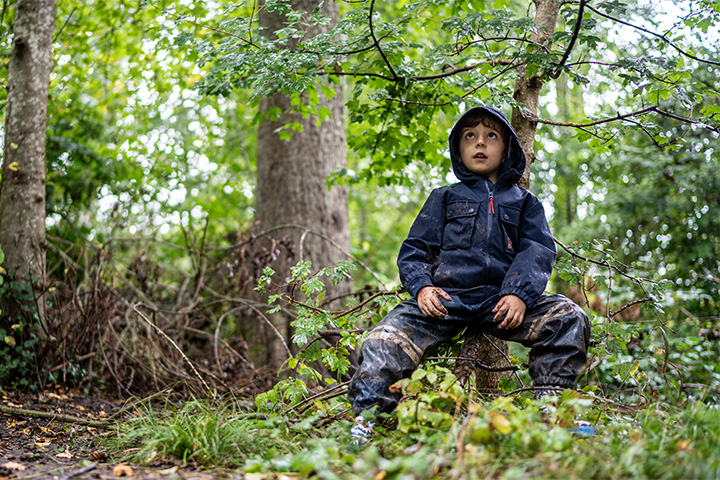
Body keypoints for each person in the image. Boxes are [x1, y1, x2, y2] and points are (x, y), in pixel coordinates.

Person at [347, 106, 590, 441]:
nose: (480, 143)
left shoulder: (525, 203)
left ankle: (554, 408)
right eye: (470, 137)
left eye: (491, 136)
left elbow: (537, 250)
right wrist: (422, 289)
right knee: (383, 339)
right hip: (445, 299)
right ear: (458, 150)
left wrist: (519, 294)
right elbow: (415, 250)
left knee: (568, 317)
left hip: (501, 303)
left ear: (507, 149)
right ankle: (368, 420)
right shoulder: (444, 198)